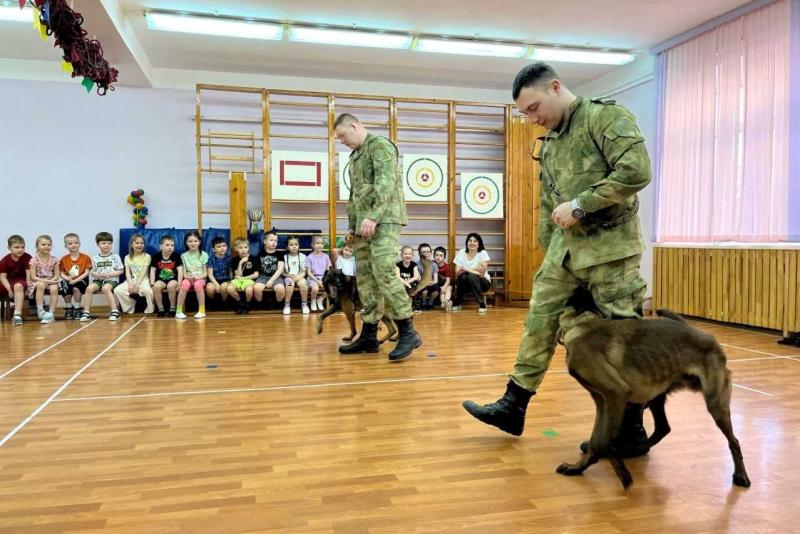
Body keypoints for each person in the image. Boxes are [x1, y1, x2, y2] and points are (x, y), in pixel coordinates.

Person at [462, 62, 652, 457]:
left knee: (621, 335)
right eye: (525, 113)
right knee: (539, 318)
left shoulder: (605, 117)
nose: (532, 119)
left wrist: (582, 204)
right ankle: (514, 404)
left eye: (533, 108)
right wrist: (549, 254)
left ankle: (631, 428)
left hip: (611, 250)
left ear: (554, 87)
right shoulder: (548, 142)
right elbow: (550, 205)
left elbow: (636, 171)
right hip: (565, 253)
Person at [333, 112, 421, 361]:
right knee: (366, 279)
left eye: (342, 135)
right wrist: (352, 226)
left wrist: (372, 216)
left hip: (383, 220)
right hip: (363, 226)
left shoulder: (380, 146)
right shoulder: (355, 156)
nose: (342, 141)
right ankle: (369, 336)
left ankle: (407, 331)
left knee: (383, 272)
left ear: (354, 125)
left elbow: (386, 182)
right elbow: (354, 196)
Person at [80, 232, 124, 322]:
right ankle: (86, 312)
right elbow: (92, 271)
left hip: (111, 280)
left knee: (106, 288)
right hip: (98, 280)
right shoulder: (95, 258)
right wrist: (94, 274)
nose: (106, 245)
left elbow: (121, 270)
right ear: (98, 244)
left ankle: (115, 311)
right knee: (89, 288)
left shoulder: (115, 257)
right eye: (103, 243)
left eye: (109, 243)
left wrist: (111, 274)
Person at [114, 233, 154, 315]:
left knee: (148, 291)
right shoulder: (127, 257)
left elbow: (144, 272)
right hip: (132, 280)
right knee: (117, 290)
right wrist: (130, 284)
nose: (139, 245)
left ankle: (150, 306)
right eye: (137, 243)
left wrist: (138, 284)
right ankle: (130, 304)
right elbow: (128, 273)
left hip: (143, 280)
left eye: (142, 243)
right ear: (132, 245)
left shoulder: (147, 256)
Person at [451, 233, 491, 313]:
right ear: (467, 243)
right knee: (462, 277)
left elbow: (482, 271)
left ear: (479, 243)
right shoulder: (462, 252)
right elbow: (458, 272)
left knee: (471, 276)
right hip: (465, 284)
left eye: (475, 241)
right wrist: (472, 270)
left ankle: (481, 303)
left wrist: (465, 269)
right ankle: (457, 302)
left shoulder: (483, 253)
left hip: (482, 282)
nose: (472, 243)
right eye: (470, 241)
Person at [58, 233, 92, 320]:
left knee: (76, 288)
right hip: (69, 280)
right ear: (66, 246)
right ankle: (69, 308)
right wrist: (66, 278)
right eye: (70, 243)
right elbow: (61, 273)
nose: (73, 245)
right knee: (63, 287)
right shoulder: (63, 259)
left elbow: (87, 272)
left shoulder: (85, 257)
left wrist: (75, 281)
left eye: (76, 243)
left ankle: (77, 308)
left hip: (82, 280)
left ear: (79, 244)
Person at [28, 235, 60, 324]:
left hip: (51, 280)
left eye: (49, 245)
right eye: (43, 244)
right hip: (38, 281)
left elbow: (57, 275)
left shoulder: (55, 259)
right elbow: (33, 277)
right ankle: (41, 311)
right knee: (41, 284)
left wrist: (51, 281)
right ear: (37, 246)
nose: (46, 247)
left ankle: (50, 314)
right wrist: (46, 281)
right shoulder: (34, 260)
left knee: (54, 288)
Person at [176, 230, 208, 320]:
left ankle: (202, 311)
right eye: (190, 241)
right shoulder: (183, 256)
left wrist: (199, 277)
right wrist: (187, 277)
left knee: (198, 285)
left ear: (199, 242)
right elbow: (184, 273)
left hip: (200, 278)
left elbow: (205, 273)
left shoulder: (204, 255)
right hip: (189, 278)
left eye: (195, 241)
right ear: (186, 243)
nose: (193, 243)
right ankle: (178, 311)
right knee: (184, 284)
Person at [0, 235, 31, 326]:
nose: (20, 250)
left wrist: (28, 287)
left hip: (21, 282)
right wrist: (9, 289)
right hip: (7, 282)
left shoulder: (27, 257)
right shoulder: (5, 260)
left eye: (22, 247)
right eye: (16, 247)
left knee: (18, 285)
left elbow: (29, 274)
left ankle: (17, 315)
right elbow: (2, 277)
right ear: (9, 248)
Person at [150, 235, 181, 318]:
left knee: (171, 286)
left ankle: (172, 308)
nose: (170, 247)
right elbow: (153, 271)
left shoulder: (176, 256)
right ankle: (161, 309)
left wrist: (179, 283)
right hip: (161, 279)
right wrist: (152, 283)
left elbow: (180, 270)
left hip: (173, 279)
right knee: (156, 287)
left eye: (172, 245)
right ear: (161, 246)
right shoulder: (156, 256)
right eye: (167, 245)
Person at [254, 231, 286, 308]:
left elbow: (280, 269)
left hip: (276, 277)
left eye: (275, 241)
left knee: (280, 290)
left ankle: (277, 305)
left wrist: (271, 280)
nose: (274, 242)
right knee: (256, 289)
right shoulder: (260, 254)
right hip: (263, 277)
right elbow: (257, 270)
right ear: (265, 241)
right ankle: (261, 305)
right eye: (271, 240)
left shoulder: (279, 254)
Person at [227, 238, 259, 314]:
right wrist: (241, 263)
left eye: (245, 247)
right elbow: (238, 275)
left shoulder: (253, 258)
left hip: (249, 280)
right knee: (229, 288)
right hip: (238, 280)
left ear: (248, 248)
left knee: (249, 290)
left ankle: (247, 304)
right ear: (235, 249)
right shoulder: (234, 260)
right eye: (240, 248)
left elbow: (256, 275)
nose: (243, 250)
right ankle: (240, 302)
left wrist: (244, 278)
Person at [282, 235, 309, 315]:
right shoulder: (284, 257)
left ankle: (304, 304)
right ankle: (287, 305)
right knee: (290, 284)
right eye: (291, 245)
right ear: (287, 247)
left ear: (299, 246)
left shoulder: (303, 257)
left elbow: (304, 272)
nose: (294, 247)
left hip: (299, 276)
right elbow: (282, 272)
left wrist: (298, 277)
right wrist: (288, 276)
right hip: (288, 277)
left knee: (304, 284)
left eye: (296, 244)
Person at [304, 234, 331, 311]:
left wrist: (324, 280)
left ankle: (320, 299)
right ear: (312, 245)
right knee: (315, 288)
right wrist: (318, 281)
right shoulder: (309, 257)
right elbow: (308, 273)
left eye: (322, 243)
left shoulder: (326, 257)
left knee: (331, 288)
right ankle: (313, 300)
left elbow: (328, 271)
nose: (320, 245)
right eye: (317, 243)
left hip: (323, 277)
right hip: (313, 278)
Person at [395, 245, 421, 313]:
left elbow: (416, 277)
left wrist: (408, 283)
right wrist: (406, 284)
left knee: (414, 288)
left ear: (412, 255)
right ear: (401, 255)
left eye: (410, 254)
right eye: (405, 254)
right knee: (400, 287)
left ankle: (416, 307)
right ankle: (400, 307)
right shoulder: (398, 265)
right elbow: (398, 277)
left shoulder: (413, 264)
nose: (408, 255)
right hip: (401, 283)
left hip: (412, 283)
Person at [206, 236, 232, 304]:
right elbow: (210, 274)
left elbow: (230, 271)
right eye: (219, 246)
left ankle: (223, 303)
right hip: (213, 279)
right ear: (213, 249)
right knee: (209, 289)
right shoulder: (211, 259)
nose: (222, 248)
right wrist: (216, 284)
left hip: (225, 279)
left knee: (224, 288)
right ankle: (214, 303)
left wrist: (231, 281)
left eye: (224, 246)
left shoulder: (228, 258)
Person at [416, 243, 439, 310]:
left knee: (436, 290)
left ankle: (431, 302)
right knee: (424, 290)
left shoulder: (434, 265)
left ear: (431, 253)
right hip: (422, 283)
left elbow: (435, 280)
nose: (426, 253)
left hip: (431, 282)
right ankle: (423, 302)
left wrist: (431, 282)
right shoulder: (417, 265)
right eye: (423, 252)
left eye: (428, 251)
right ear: (419, 254)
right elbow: (418, 279)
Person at [433, 246, 452, 311]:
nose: (438, 257)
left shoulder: (447, 267)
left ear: (444, 258)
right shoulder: (433, 264)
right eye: (436, 255)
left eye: (441, 256)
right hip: (437, 285)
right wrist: (441, 288)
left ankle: (445, 301)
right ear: (434, 256)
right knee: (441, 291)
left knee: (448, 288)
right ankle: (445, 303)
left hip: (445, 284)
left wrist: (444, 287)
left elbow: (448, 281)